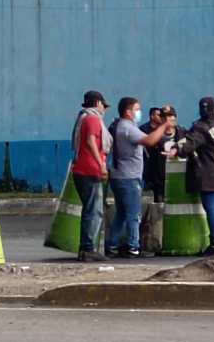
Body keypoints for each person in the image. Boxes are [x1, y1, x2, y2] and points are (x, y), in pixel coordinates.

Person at [105, 97, 174, 258]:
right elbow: (149, 140)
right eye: (137, 109)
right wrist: (164, 125)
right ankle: (133, 246)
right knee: (133, 214)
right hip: (129, 177)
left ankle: (113, 244)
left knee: (122, 213)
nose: (139, 112)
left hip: (119, 175)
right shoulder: (127, 128)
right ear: (128, 112)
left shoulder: (120, 126)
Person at [176, 96, 214, 257]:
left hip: (209, 172)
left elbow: (188, 145)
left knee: (211, 208)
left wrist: (177, 147)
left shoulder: (201, 127)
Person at [70, 90, 113, 262]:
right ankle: (88, 248)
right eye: (103, 105)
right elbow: (90, 141)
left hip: (82, 169)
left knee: (90, 210)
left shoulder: (83, 118)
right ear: (97, 103)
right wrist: (101, 164)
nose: (104, 109)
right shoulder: (93, 119)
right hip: (90, 170)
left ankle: (86, 248)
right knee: (94, 212)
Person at [143, 105, 184, 203]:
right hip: (160, 182)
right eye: (164, 117)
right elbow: (149, 159)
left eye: (170, 116)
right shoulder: (154, 136)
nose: (167, 119)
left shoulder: (183, 133)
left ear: (175, 118)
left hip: (179, 179)